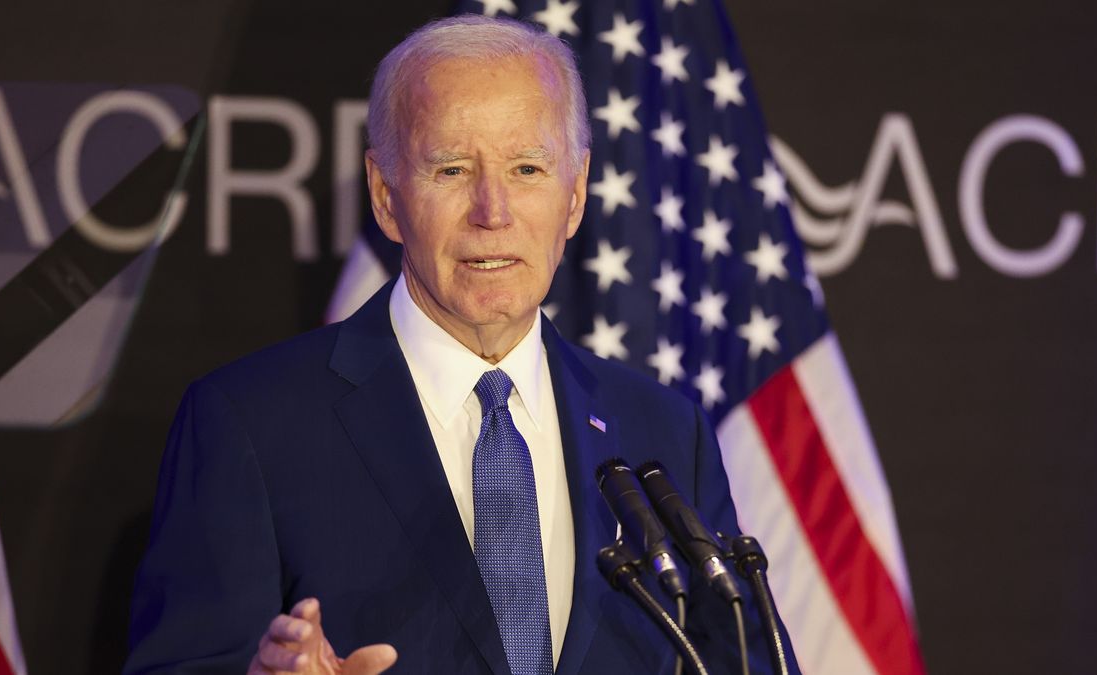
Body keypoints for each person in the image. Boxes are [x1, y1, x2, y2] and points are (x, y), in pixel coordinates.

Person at [125, 14, 797, 675]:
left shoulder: (663, 431)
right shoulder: (249, 422)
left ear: (575, 194)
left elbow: (745, 657)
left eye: (528, 168)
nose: (493, 212)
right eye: (451, 171)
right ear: (386, 196)